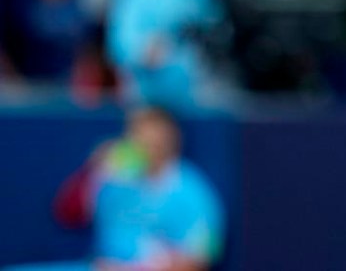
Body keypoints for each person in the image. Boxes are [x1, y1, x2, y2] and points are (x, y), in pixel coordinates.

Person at [5, 107, 224, 271]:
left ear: (171, 141)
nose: (146, 145)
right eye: (138, 135)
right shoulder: (113, 172)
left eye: (154, 139)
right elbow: (66, 213)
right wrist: (91, 171)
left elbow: (200, 257)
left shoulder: (192, 190)